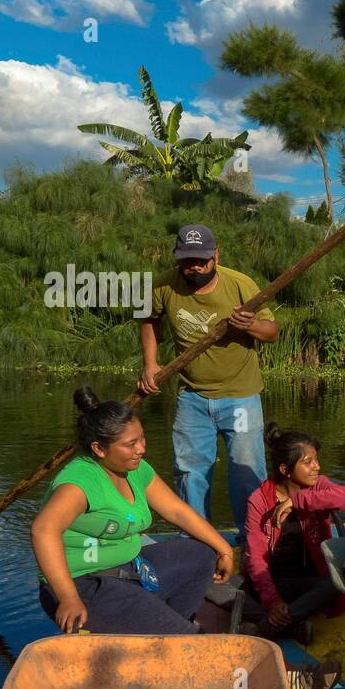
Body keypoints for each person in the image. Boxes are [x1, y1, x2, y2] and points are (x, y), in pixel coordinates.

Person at [31, 387, 236, 634]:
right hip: (85, 585)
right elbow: (43, 530)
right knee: (192, 641)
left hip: (129, 569)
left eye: (142, 438)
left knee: (202, 555)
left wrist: (224, 550)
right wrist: (68, 597)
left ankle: (167, 628)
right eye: (131, 444)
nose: (141, 449)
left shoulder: (135, 468)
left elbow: (176, 511)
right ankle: (175, 635)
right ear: (98, 449)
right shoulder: (80, 482)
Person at [137, 224, 279, 540]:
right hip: (192, 396)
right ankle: (199, 540)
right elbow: (148, 319)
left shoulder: (240, 284)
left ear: (216, 255)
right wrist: (150, 364)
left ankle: (253, 539)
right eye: (187, 260)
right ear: (177, 258)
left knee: (246, 472)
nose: (195, 267)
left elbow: (272, 332)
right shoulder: (164, 286)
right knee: (190, 472)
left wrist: (251, 325)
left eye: (202, 259)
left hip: (240, 395)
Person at [242, 423, 345, 642]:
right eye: (308, 462)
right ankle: (290, 623)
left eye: (315, 460)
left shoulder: (317, 487)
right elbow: (256, 558)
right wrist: (272, 601)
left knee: (338, 582)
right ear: (285, 470)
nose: (317, 467)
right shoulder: (259, 500)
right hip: (275, 582)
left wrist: (298, 501)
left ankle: (271, 625)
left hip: (313, 582)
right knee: (219, 586)